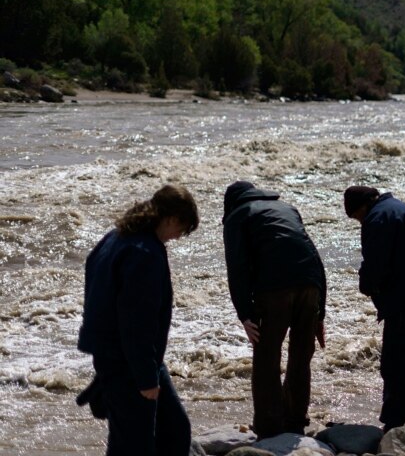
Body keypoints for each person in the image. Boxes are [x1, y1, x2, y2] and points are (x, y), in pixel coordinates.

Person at [77, 184, 200, 456]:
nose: (179, 236)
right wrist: (145, 377)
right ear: (170, 218)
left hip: (125, 355)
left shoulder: (116, 237)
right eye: (182, 228)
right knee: (134, 444)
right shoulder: (145, 253)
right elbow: (136, 322)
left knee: (174, 429)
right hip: (129, 361)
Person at [222, 181, 327, 439]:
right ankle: (295, 421)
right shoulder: (286, 208)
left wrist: (245, 314)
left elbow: (237, 268)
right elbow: (313, 255)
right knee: (301, 355)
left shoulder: (238, 216)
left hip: (275, 289)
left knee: (267, 357)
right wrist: (320, 313)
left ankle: (269, 428)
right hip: (310, 283)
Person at [343, 185, 405, 430]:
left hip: (402, 299)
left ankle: (396, 423)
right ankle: (403, 414)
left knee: (394, 364)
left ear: (363, 206)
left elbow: (375, 263)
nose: (359, 221)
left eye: (356, 216)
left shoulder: (377, 218)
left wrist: (366, 285)